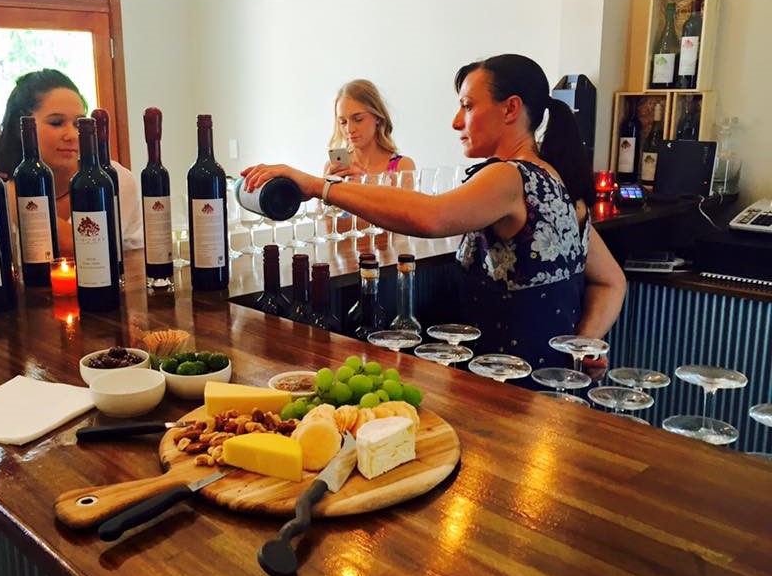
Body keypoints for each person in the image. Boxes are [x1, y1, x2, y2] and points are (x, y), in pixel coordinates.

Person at [243, 54, 626, 378]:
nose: (457, 122)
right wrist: (583, 346)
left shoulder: (510, 176)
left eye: (468, 106)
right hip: (554, 383)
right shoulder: (555, 179)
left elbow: (430, 216)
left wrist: (317, 185)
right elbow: (611, 281)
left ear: (510, 108)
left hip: (510, 394)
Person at [0, 69, 143, 257]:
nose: (72, 135)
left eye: (78, 123)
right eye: (56, 123)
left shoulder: (110, 177)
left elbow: (84, 250)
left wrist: (15, 199)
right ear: (21, 128)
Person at [325, 79, 415, 179]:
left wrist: (363, 182)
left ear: (377, 117)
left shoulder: (402, 167)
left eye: (358, 119)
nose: (349, 129)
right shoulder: (334, 168)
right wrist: (326, 186)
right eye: (343, 122)